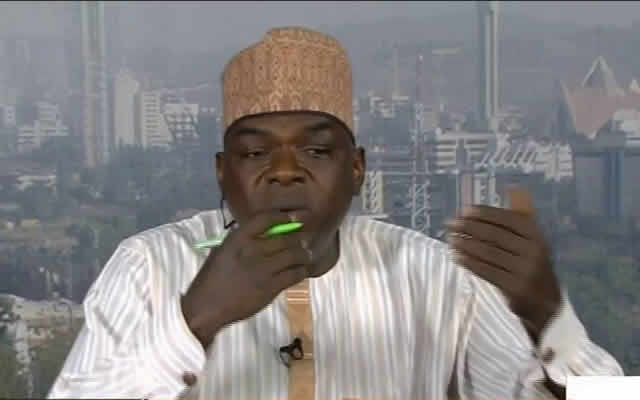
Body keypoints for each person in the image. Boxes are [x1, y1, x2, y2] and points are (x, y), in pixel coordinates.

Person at [48, 27, 622, 400]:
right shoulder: (149, 268)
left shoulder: (438, 279)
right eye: (256, 153)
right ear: (223, 172)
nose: (285, 171)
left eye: (317, 151)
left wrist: (552, 323)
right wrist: (194, 320)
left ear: (357, 169)